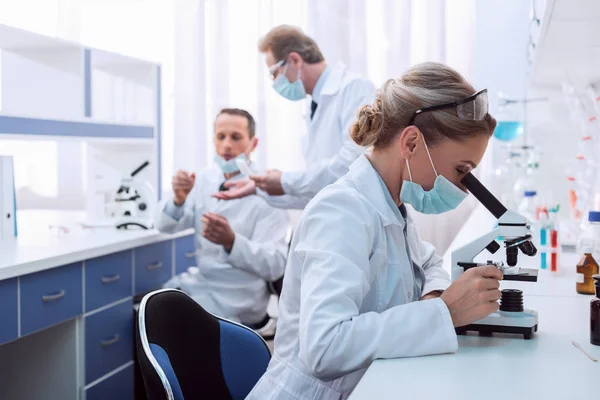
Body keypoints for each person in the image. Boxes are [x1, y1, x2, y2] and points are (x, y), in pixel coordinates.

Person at [246, 62, 502, 399]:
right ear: (411, 143)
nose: (464, 187)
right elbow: (325, 347)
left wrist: (434, 294)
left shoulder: (392, 206)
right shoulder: (342, 212)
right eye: (461, 170)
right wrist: (443, 313)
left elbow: (427, 262)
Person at [155, 108, 290, 333]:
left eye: (236, 137)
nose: (227, 145)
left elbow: (275, 265)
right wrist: (178, 200)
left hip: (240, 298)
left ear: (253, 143)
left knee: (167, 320)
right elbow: (166, 226)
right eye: (221, 136)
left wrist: (232, 242)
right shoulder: (204, 180)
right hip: (203, 286)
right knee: (150, 308)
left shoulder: (267, 190)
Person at [213, 25, 375, 209]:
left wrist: (284, 180)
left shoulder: (355, 88)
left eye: (274, 73)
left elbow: (353, 164)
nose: (274, 82)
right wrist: (261, 187)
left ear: (295, 60)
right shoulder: (314, 106)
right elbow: (316, 188)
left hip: (359, 216)